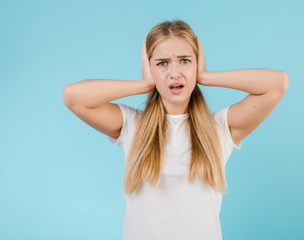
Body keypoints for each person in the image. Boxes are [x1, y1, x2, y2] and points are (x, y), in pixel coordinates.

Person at [62, 20, 289, 240]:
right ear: (149, 67)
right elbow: (73, 97)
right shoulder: (132, 125)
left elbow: (277, 83)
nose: (175, 72)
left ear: (197, 63)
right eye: (162, 63)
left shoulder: (220, 128)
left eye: (184, 61)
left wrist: (206, 77)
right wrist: (144, 84)